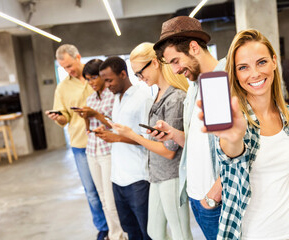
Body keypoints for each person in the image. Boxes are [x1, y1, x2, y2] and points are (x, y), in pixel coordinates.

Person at [197, 29, 289, 239]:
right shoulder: (236, 121)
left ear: (273, 61)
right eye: (243, 67)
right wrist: (233, 139)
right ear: (235, 74)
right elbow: (232, 161)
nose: (254, 74)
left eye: (261, 62)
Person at [152, 16, 225, 239]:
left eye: (175, 61)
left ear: (193, 48)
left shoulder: (222, 81)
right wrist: (173, 134)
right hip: (195, 196)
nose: (175, 70)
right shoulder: (195, 86)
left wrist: (214, 195)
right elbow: (200, 142)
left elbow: (246, 146)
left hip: (215, 201)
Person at [110, 42, 193, 240]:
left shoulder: (175, 97)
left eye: (140, 72)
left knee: (181, 232)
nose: (140, 78)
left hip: (171, 176)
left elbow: (169, 151)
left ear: (155, 63)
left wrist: (131, 134)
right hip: (156, 175)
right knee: (154, 231)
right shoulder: (157, 95)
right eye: (136, 75)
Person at [45, 44, 109, 240]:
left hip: (106, 141)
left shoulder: (98, 76)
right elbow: (64, 117)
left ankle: (118, 224)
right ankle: (103, 228)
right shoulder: (63, 87)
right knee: (91, 191)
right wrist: (59, 118)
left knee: (111, 189)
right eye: (64, 68)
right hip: (81, 144)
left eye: (70, 65)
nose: (68, 70)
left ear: (78, 57)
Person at [93, 56, 153, 240]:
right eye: (104, 81)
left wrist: (117, 138)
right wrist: (108, 130)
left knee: (147, 233)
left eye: (110, 80)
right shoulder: (117, 98)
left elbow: (147, 139)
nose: (107, 85)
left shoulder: (143, 97)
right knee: (130, 231)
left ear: (123, 74)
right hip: (118, 178)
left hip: (138, 179)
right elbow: (124, 128)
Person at [75, 59, 126, 240]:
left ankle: (122, 235)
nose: (92, 82)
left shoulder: (113, 95)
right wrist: (85, 117)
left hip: (108, 151)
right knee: (103, 199)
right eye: (88, 79)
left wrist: (95, 114)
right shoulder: (89, 98)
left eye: (94, 77)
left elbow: (114, 124)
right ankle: (114, 235)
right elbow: (89, 128)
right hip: (92, 151)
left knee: (112, 200)